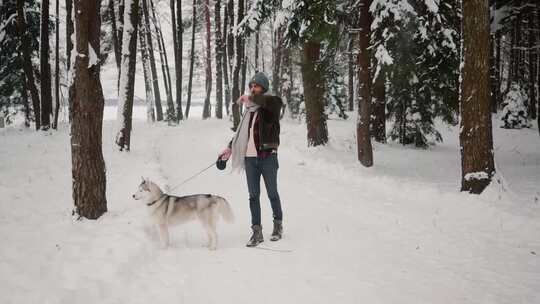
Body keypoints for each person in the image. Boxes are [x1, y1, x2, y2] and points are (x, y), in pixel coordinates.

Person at [219, 72, 284, 247]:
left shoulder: (272, 104)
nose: (252, 88)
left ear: (263, 87)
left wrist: (251, 98)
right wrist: (229, 148)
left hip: (268, 157)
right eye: (251, 86)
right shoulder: (248, 111)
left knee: (272, 194)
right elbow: (242, 133)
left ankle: (278, 225)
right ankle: (257, 231)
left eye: (256, 86)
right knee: (253, 196)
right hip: (250, 160)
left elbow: (269, 104)